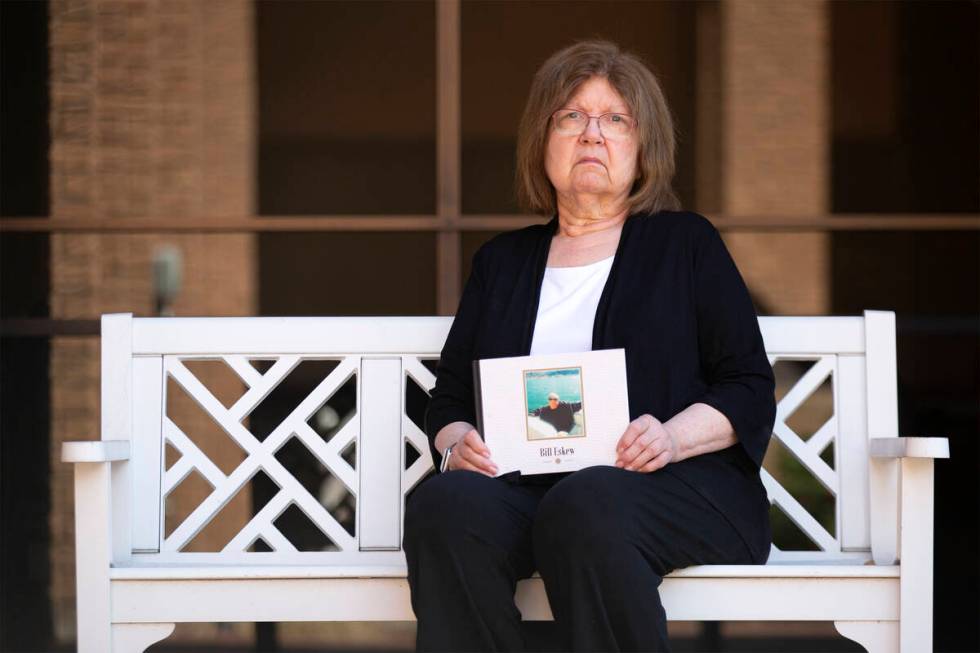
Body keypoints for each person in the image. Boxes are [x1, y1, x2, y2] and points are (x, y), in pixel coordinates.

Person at [402, 39, 775, 652]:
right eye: (571, 116)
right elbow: (448, 399)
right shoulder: (503, 262)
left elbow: (747, 386)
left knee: (589, 502)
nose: (592, 134)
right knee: (446, 507)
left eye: (615, 119)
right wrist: (454, 444)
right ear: (542, 142)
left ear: (642, 146)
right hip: (530, 491)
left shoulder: (685, 244)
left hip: (674, 487)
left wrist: (673, 436)